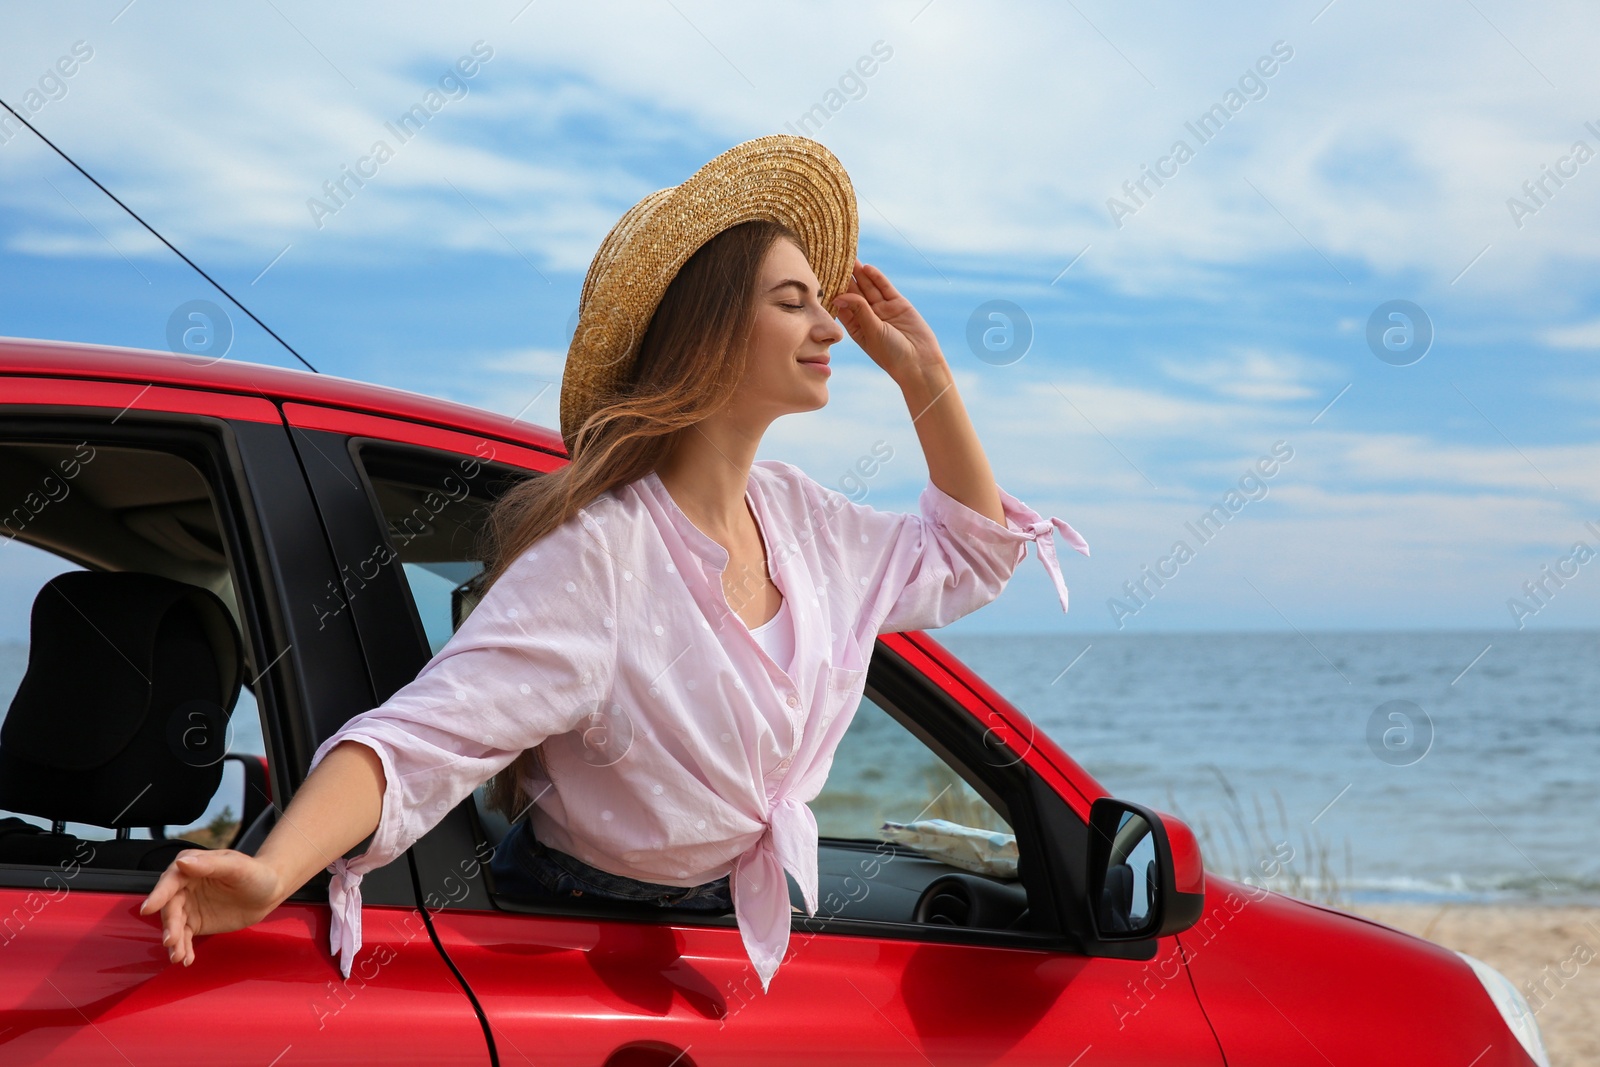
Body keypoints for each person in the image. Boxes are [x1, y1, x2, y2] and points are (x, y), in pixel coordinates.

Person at [139, 134, 1089, 994]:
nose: (832, 327)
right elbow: (420, 740)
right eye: (793, 302)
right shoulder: (600, 560)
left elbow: (968, 554)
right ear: (710, 327)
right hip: (573, 946)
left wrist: (928, 380)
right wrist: (271, 872)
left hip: (716, 932)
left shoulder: (804, 518)